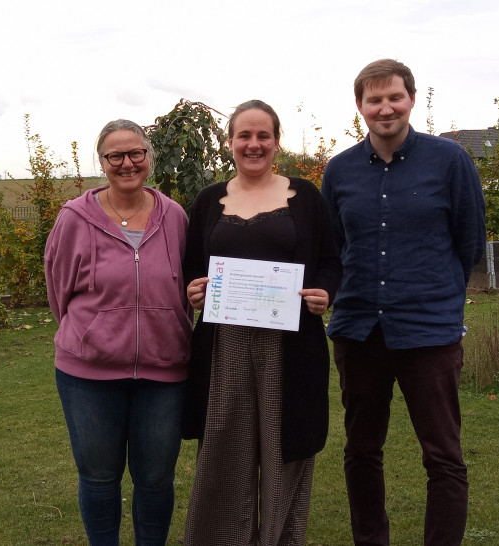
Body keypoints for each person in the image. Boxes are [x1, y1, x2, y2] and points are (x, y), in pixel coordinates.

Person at [321, 59, 487, 545]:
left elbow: (469, 242)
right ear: (360, 107)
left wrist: (440, 299)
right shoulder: (340, 169)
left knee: (443, 456)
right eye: (374, 100)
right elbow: (333, 246)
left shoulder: (450, 160)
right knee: (362, 450)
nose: (385, 107)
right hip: (358, 332)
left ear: (411, 99)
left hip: (429, 332)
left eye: (394, 97)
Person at [182, 100, 342, 545]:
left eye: (263, 136)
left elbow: (331, 261)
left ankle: (278, 538)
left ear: (276, 141)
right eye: (244, 136)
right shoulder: (209, 200)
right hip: (224, 345)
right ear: (229, 142)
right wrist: (193, 291)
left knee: (282, 452)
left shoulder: (305, 196)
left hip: (290, 347)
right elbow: (192, 268)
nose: (254, 145)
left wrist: (325, 292)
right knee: (222, 451)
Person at [44, 119, 193, 546]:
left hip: (164, 373)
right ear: (103, 162)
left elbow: (185, 284)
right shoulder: (74, 218)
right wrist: (93, 333)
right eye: (116, 156)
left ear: (149, 157)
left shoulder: (175, 215)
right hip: (88, 376)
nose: (127, 163)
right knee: (99, 477)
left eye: (136, 154)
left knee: (155, 479)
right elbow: (59, 291)